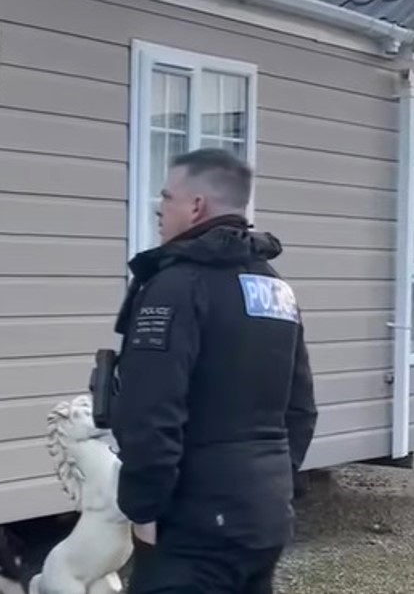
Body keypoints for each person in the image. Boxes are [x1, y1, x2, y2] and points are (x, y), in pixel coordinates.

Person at [111, 148, 317, 594]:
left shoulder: (175, 286)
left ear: (196, 206)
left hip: (192, 529)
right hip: (263, 517)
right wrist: (275, 483)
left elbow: (148, 410)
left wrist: (144, 509)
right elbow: (300, 408)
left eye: (167, 197)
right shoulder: (274, 287)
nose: (158, 208)